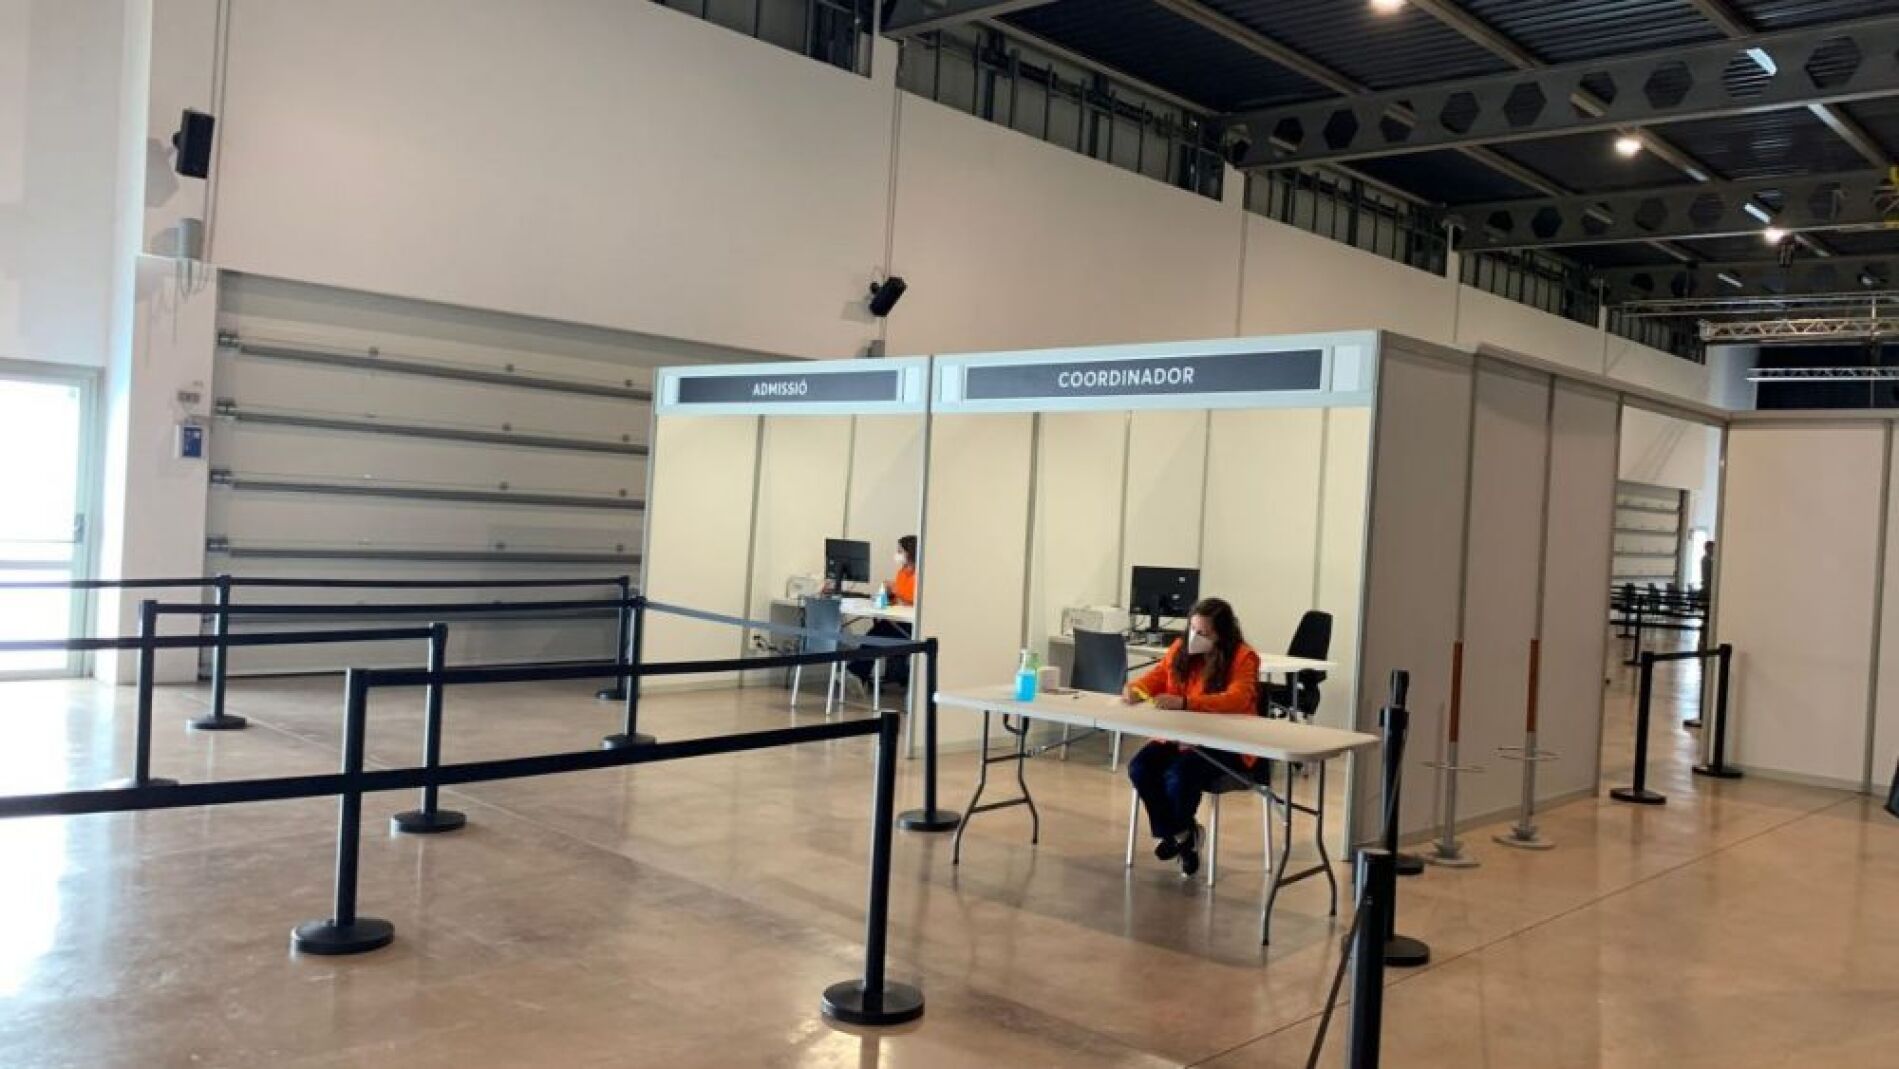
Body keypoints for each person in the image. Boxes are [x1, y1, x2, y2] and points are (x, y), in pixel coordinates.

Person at [1123, 597, 1261, 878]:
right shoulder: (1180, 649)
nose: (1195, 637)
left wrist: (1186, 703)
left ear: (1222, 634)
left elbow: (1237, 699)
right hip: (1178, 735)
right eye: (1193, 630)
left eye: (1204, 633)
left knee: (1180, 774)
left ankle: (1177, 838)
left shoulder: (1243, 657)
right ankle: (1183, 834)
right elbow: (1157, 677)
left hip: (1223, 741)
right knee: (1140, 767)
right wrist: (1135, 689)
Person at [849, 535, 918, 690]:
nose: (897, 555)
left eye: (900, 551)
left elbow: (914, 599)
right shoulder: (902, 572)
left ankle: (856, 673)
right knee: (873, 634)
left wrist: (897, 591)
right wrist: (887, 594)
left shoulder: (920, 575)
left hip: (911, 625)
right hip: (898, 620)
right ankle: (856, 674)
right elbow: (899, 599)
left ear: (910, 553)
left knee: (876, 635)